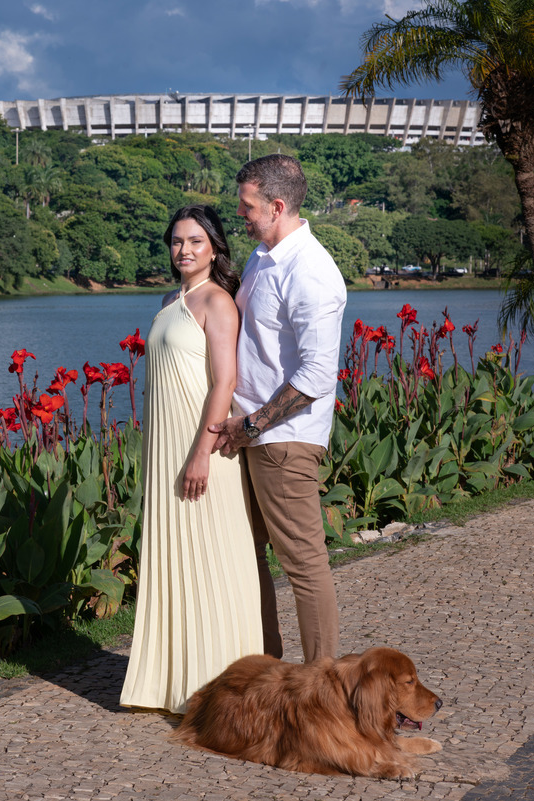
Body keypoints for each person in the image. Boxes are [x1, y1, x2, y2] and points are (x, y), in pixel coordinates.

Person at [120, 205, 263, 714]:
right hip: (166, 448)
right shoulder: (167, 301)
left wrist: (202, 453)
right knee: (172, 556)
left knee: (215, 558)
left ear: (216, 247)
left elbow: (224, 381)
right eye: (177, 242)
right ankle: (171, 680)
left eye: (196, 241)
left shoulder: (217, 302)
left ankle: (222, 682)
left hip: (201, 450)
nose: (185, 250)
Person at [209, 154, 347, 664]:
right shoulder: (263, 258)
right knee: (250, 560)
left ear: (277, 205)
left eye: (247, 206)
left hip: (281, 440)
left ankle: (321, 685)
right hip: (251, 436)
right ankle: (267, 667)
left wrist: (253, 423)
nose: (240, 214)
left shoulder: (309, 272)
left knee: (304, 566)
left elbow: (315, 376)